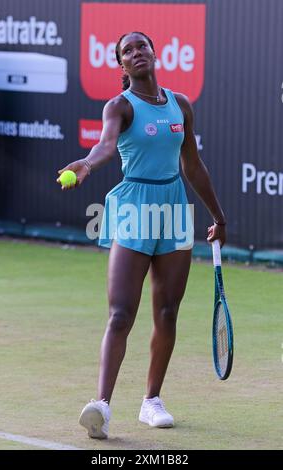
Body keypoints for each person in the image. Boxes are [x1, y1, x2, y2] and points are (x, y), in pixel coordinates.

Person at [57, 32, 226, 439]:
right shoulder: (119, 106)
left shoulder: (180, 104)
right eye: (127, 51)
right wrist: (87, 165)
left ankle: (152, 401)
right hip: (135, 207)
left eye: (141, 47)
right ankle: (101, 406)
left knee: (167, 311)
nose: (136, 54)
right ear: (122, 65)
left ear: (154, 53)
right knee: (120, 313)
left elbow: (193, 165)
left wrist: (218, 217)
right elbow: (105, 146)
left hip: (173, 207)